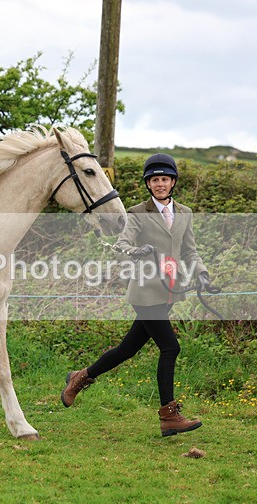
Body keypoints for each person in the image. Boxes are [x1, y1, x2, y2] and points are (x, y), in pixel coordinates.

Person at [61, 153, 211, 436]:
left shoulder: (185, 213)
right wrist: (136, 251)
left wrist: (201, 272)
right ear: (148, 184)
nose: (160, 184)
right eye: (155, 180)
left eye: (164, 179)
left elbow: (190, 250)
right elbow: (122, 244)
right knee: (171, 348)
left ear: (173, 182)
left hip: (169, 291)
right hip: (145, 292)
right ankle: (169, 416)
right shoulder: (137, 213)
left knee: (127, 349)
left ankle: (80, 378)